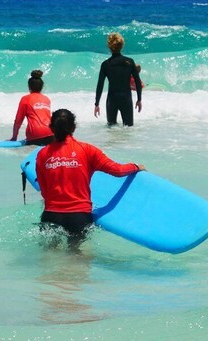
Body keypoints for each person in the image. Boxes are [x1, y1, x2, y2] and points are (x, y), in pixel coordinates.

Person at [36, 109, 145, 249]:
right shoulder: (87, 150)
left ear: (51, 128)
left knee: (49, 258)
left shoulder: (42, 154)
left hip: (51, 215)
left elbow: (44, 191)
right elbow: (117, 170)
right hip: (79, 216)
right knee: (76, 258)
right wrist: (135, 166)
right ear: (74, 127)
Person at [93, 33, 142, 126]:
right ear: (122, 45)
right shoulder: (129, 62)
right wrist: (139, 99)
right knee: (128, 128)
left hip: (112, 99)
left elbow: (100, 85)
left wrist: (97, 104)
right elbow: (137, 82)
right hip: (126, 98)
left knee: (111, 128)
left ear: (109, 46)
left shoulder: (105, 64)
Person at [11, 70, 55, 146]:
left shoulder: (25, 99)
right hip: (51, 133)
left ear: (29, 86)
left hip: (35, 135)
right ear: (42, 87)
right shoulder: (46, 99)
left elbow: (18, 121)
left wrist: (14, 137)